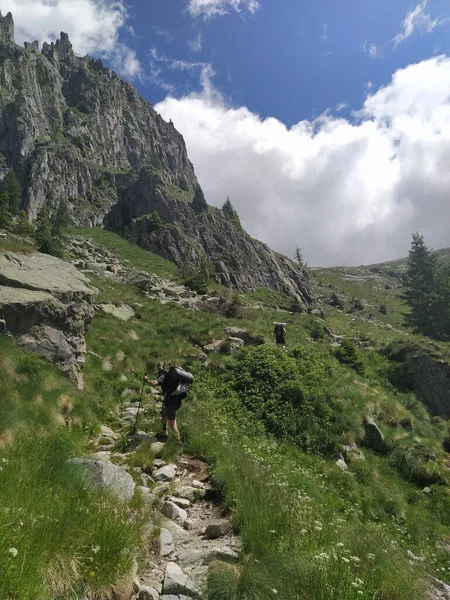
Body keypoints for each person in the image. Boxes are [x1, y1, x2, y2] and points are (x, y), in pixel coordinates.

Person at [144, 365, 194, 443]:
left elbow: (154, 383)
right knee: (164, 413)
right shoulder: (175, 377)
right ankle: (164, 432)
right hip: (177, 400)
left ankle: (177, 440)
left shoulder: (163, 375)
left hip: (171, 401)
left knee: (172, 421)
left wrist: (146, 380)